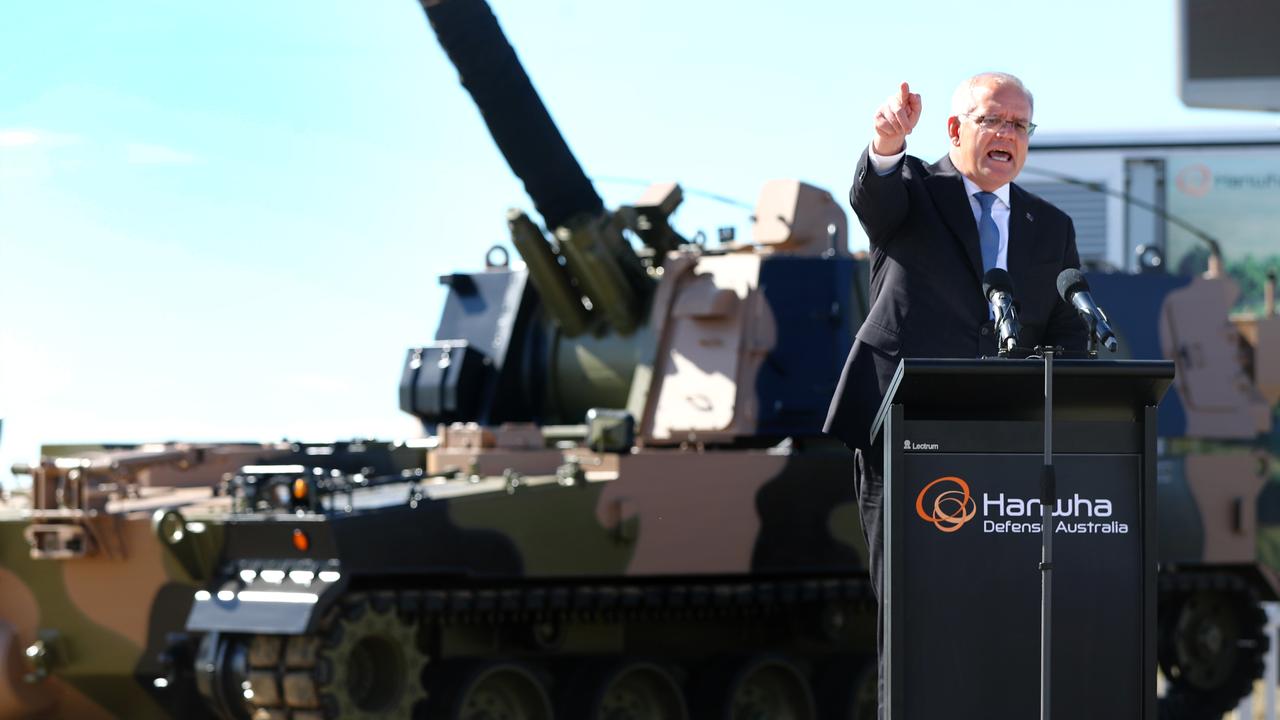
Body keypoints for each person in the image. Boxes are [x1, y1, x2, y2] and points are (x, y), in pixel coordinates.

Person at [824, 72, 1087, 716]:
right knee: (915, 610)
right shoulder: (914, 190)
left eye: (1020, 127)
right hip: (903, 431)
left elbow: (1064, 333)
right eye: (993, 121)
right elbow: (872, 191)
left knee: (998, 610)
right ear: (954, 129)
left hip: (1004, 446)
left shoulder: (1048, 225)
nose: (1007, 136)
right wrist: (886, 143)